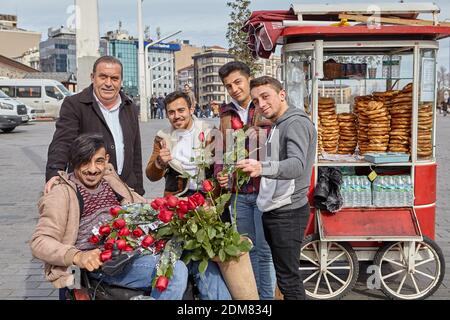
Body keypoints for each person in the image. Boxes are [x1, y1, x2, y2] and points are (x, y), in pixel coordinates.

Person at [31, 134, 188, 299]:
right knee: (175, 272)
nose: (92, 169)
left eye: (98, 161)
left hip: (130, 253)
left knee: (193, 260)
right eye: (84, 162)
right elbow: (39, 241)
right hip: (99, 267)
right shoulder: (62, 193)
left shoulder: (111, 181)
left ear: (106, 159)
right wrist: (78, 256)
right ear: (73, 161)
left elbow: (142, 204)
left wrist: (182, 203)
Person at [145, 91, 231, 300]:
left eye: (181, 110)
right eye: (171, 112)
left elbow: (224, 165)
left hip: (208, 203)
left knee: (207, 257)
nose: (177, 116)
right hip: (177, 203)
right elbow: (151, 174)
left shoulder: (210, 132)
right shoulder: (163, 137)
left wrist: (221, 187)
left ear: (191, 109)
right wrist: (160, 163)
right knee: (182, 254)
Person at [237, 76, 317, 300]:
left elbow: (297, 165)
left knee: (288, 281)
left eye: (265, 96)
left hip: (288, 213)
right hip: (278, 210)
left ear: (282, 94)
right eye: (255, 101)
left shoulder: (295, 123)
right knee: (285, 278)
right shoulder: (280, 124)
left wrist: (261, 167)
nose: (260, 104)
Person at [215, 61, 276, 300]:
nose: (234, 89)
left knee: (265, 251)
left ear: (249, 78)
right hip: (238, 194)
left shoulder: (263, 106)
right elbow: (220, 148)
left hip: (264, 190)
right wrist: (220, 172)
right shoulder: (226, 113)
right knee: (247, 248)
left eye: (237, 82)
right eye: (228, 86)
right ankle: (253, 299)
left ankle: (268, 299)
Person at [44, 56, 144, 195]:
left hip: (126, 189)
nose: (108, 83)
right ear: (93, 77)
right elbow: (62, 143)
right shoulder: (75, 104)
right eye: (103, 77)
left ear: (121, 81)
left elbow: (135, 152)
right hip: (89, 192)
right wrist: (55, 174)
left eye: (114, 78)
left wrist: (138, 189)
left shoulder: (129, 106)